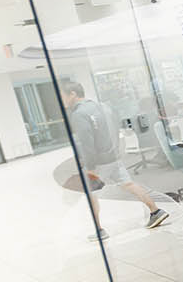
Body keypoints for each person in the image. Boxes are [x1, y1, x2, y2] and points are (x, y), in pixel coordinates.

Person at [62, 81, 168, 239]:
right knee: (129, 184)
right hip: (113, 157)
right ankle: (156, 211)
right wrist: (115, 151)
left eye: (63, 96)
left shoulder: (79, 114)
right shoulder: (103, 106)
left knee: (91, 195)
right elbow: (116, 128)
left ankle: (99, 230)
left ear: (72, 94)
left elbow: (87, 142)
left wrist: (90, 166)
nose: (62, 100)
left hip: (99, 162)